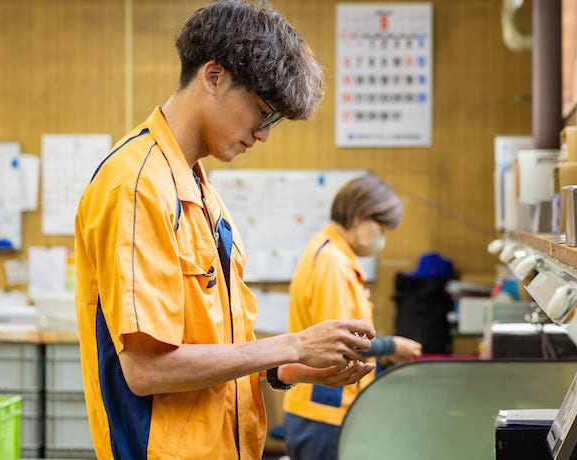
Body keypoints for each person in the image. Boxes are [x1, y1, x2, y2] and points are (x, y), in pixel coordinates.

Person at [74, 2, 377, 459]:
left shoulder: (203, 194)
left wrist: (292, 368)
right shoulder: (136, 186)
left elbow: (220, 353)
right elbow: (146, 370)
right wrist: (292, 342)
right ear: (213, 77)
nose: (263, 134)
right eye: (262, 111)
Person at [282, 174, 423, 460]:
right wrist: (394, 347)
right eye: (381, 229)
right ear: (361, 218)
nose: (382, 238)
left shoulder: (335, 253)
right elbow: (339, 344)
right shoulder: (332, 262)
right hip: (324, 409)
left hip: (329, 406)